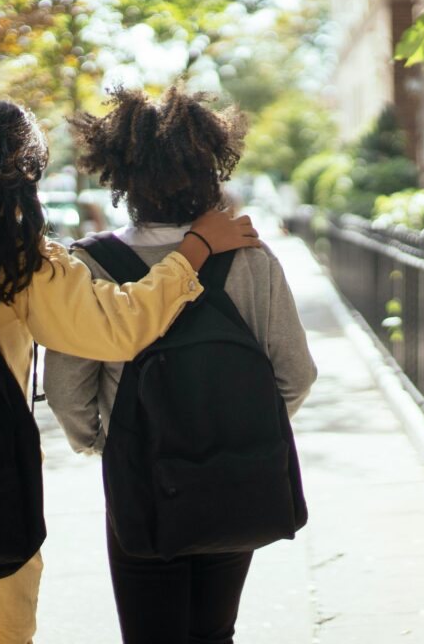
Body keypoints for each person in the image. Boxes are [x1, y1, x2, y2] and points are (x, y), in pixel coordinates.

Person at [0, 95, 260, 644]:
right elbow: (118, 327)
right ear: (24, 172)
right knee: (3, 630)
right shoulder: (15, 261)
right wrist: (195, 249)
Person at [43, 86, 316, 644]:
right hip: (235, 471)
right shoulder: (250, 256)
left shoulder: (91, 263)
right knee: (215, 632)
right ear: (210, 167)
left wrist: (104, 441)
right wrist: (244, 425)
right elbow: (296, 372)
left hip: (142, 477)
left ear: (120, 175)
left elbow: (68, 389)